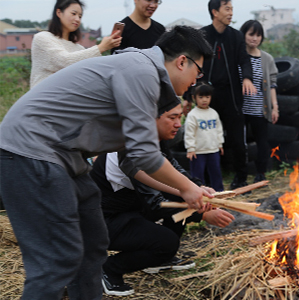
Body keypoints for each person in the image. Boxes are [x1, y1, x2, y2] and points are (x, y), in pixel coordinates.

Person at [0, 26, 213, 299]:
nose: (196, 81)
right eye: (198, 71)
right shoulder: (141, 70)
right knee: (58, 260)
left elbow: (134, 153)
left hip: (65, 156)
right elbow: (144, 154)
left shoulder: (141, 72)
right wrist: (187, 188)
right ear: (182, 61)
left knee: (93, 244)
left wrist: (190, 188)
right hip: (32, 150)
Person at [91, 104, 234, 296]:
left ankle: (158, 260)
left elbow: (176, 173)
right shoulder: (131, 151)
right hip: (103, 222)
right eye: (172, 118)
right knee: (167, 243)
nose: (178, 124)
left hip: (130, 211)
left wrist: (197, 188)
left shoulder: (154, 141)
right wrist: (202, 214)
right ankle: (109, 268)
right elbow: (155, 205)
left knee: (180, 194)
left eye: (179, 118)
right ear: (151, 119)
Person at [200, 0, 257, 190]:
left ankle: (241, 178)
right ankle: (208, 181)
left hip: (231, 96)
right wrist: (188, 94)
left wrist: (247, 78)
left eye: (232, 9)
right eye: (227, 9)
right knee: (207, 138)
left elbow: (244, 60)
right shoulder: (203, 35)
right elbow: (194, 63)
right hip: (207, 96)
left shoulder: (236, 36)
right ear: (215, 12)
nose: (231, 13)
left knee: (236, 140)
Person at [30, 0, 122, 87]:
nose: (77, 19)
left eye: (80, 16)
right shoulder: (42, 38)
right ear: (59, 13)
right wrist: (101, 47)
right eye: (73, 14)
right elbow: (64, 61)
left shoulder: (79, 48)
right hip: (43, 100)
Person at [239, 20, 279, 182]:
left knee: (262, 143)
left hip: (259, 110)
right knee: (239, 144)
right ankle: (240, 175)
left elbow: (272, 85)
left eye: (258, 35)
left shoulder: (267, 59)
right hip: (240, 110)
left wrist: (275, 107)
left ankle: (260, 173)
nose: (254, 39)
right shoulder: (238, 56)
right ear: (244, 35)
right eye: (251, 34)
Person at [184, 83, 225, 191]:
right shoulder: (193, 115)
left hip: (213, 150)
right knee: (198, 175)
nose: (204, 100)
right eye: (201, 97)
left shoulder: (213, 113)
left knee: (216, 173)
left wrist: (220, 144)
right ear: (194, 98)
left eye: (207, 97)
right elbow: (189, 133)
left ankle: (219, 193)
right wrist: (190, 148)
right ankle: (199, 194)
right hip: (198, 152)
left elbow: (218, 130)